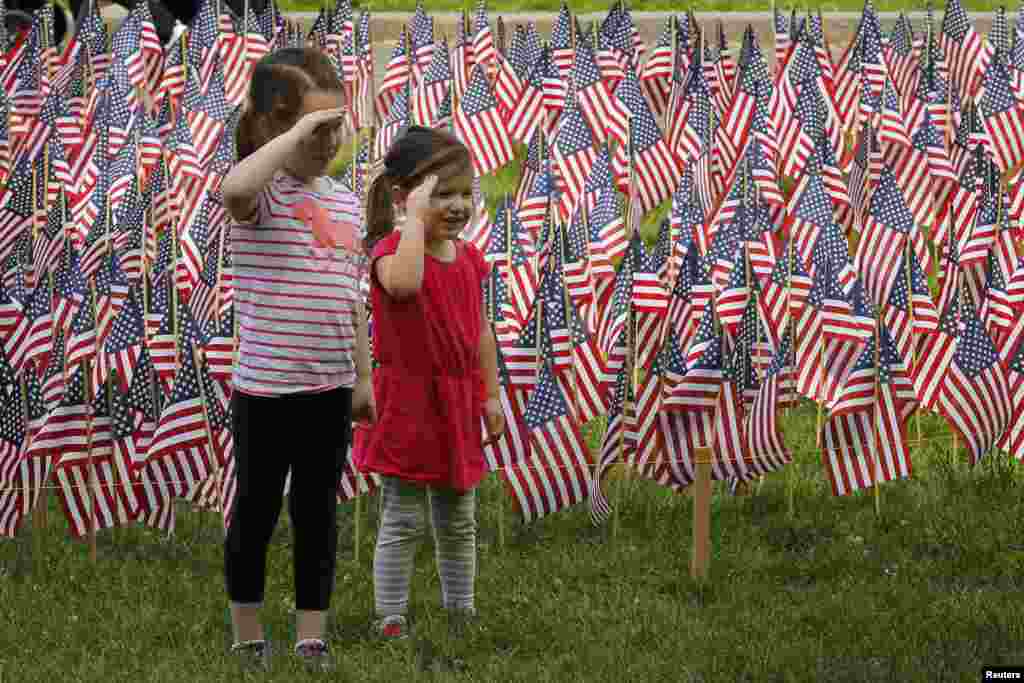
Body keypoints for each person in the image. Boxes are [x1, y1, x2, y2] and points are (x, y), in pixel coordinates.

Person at [220, 47, 374, 672]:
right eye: (311, 128)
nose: (325, 141)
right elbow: (234, 187)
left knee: (317, 514)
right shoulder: (262, 196)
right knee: (255, 510)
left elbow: (353, 295)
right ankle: (247, 630)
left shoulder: (341, 200)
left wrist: (363, 376)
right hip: (265, 391)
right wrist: (290, 141)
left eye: (334, 127)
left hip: (329, 390)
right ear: (269, 129)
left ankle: (312, 632)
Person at [356, 126, 505, 642]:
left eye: (465, 192)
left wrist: (490, 394)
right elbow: (406, 284)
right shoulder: (391, 252)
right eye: (443, 193)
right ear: (405, 197)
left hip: (457, 400)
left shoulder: (469, 259)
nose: (459, 204)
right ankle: (390, 615)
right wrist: (413, 221)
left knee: (458, 517)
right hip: (410, 403)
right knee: (402, 517)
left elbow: (480, 330)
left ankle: (460, 609)